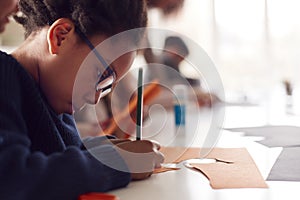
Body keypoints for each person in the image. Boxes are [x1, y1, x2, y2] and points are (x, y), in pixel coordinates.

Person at [0, 0, 164, 200]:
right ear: (60, 37)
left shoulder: (53, 97)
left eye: (106, 88)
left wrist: (107, 148)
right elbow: (12, 179)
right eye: (100, 76)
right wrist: (118, 162)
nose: (95, 98)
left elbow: (56, 152)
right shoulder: (4, 76)